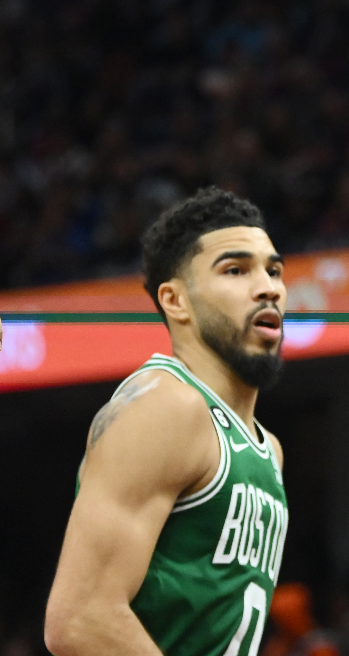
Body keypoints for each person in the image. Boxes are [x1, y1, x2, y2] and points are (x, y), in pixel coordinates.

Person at [44, 188, 290, 656]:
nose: (269, 288)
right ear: (176, 301)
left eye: (273, 270)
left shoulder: (267, 448)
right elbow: (80, 619)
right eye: (235, 270)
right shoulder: (167, 407)